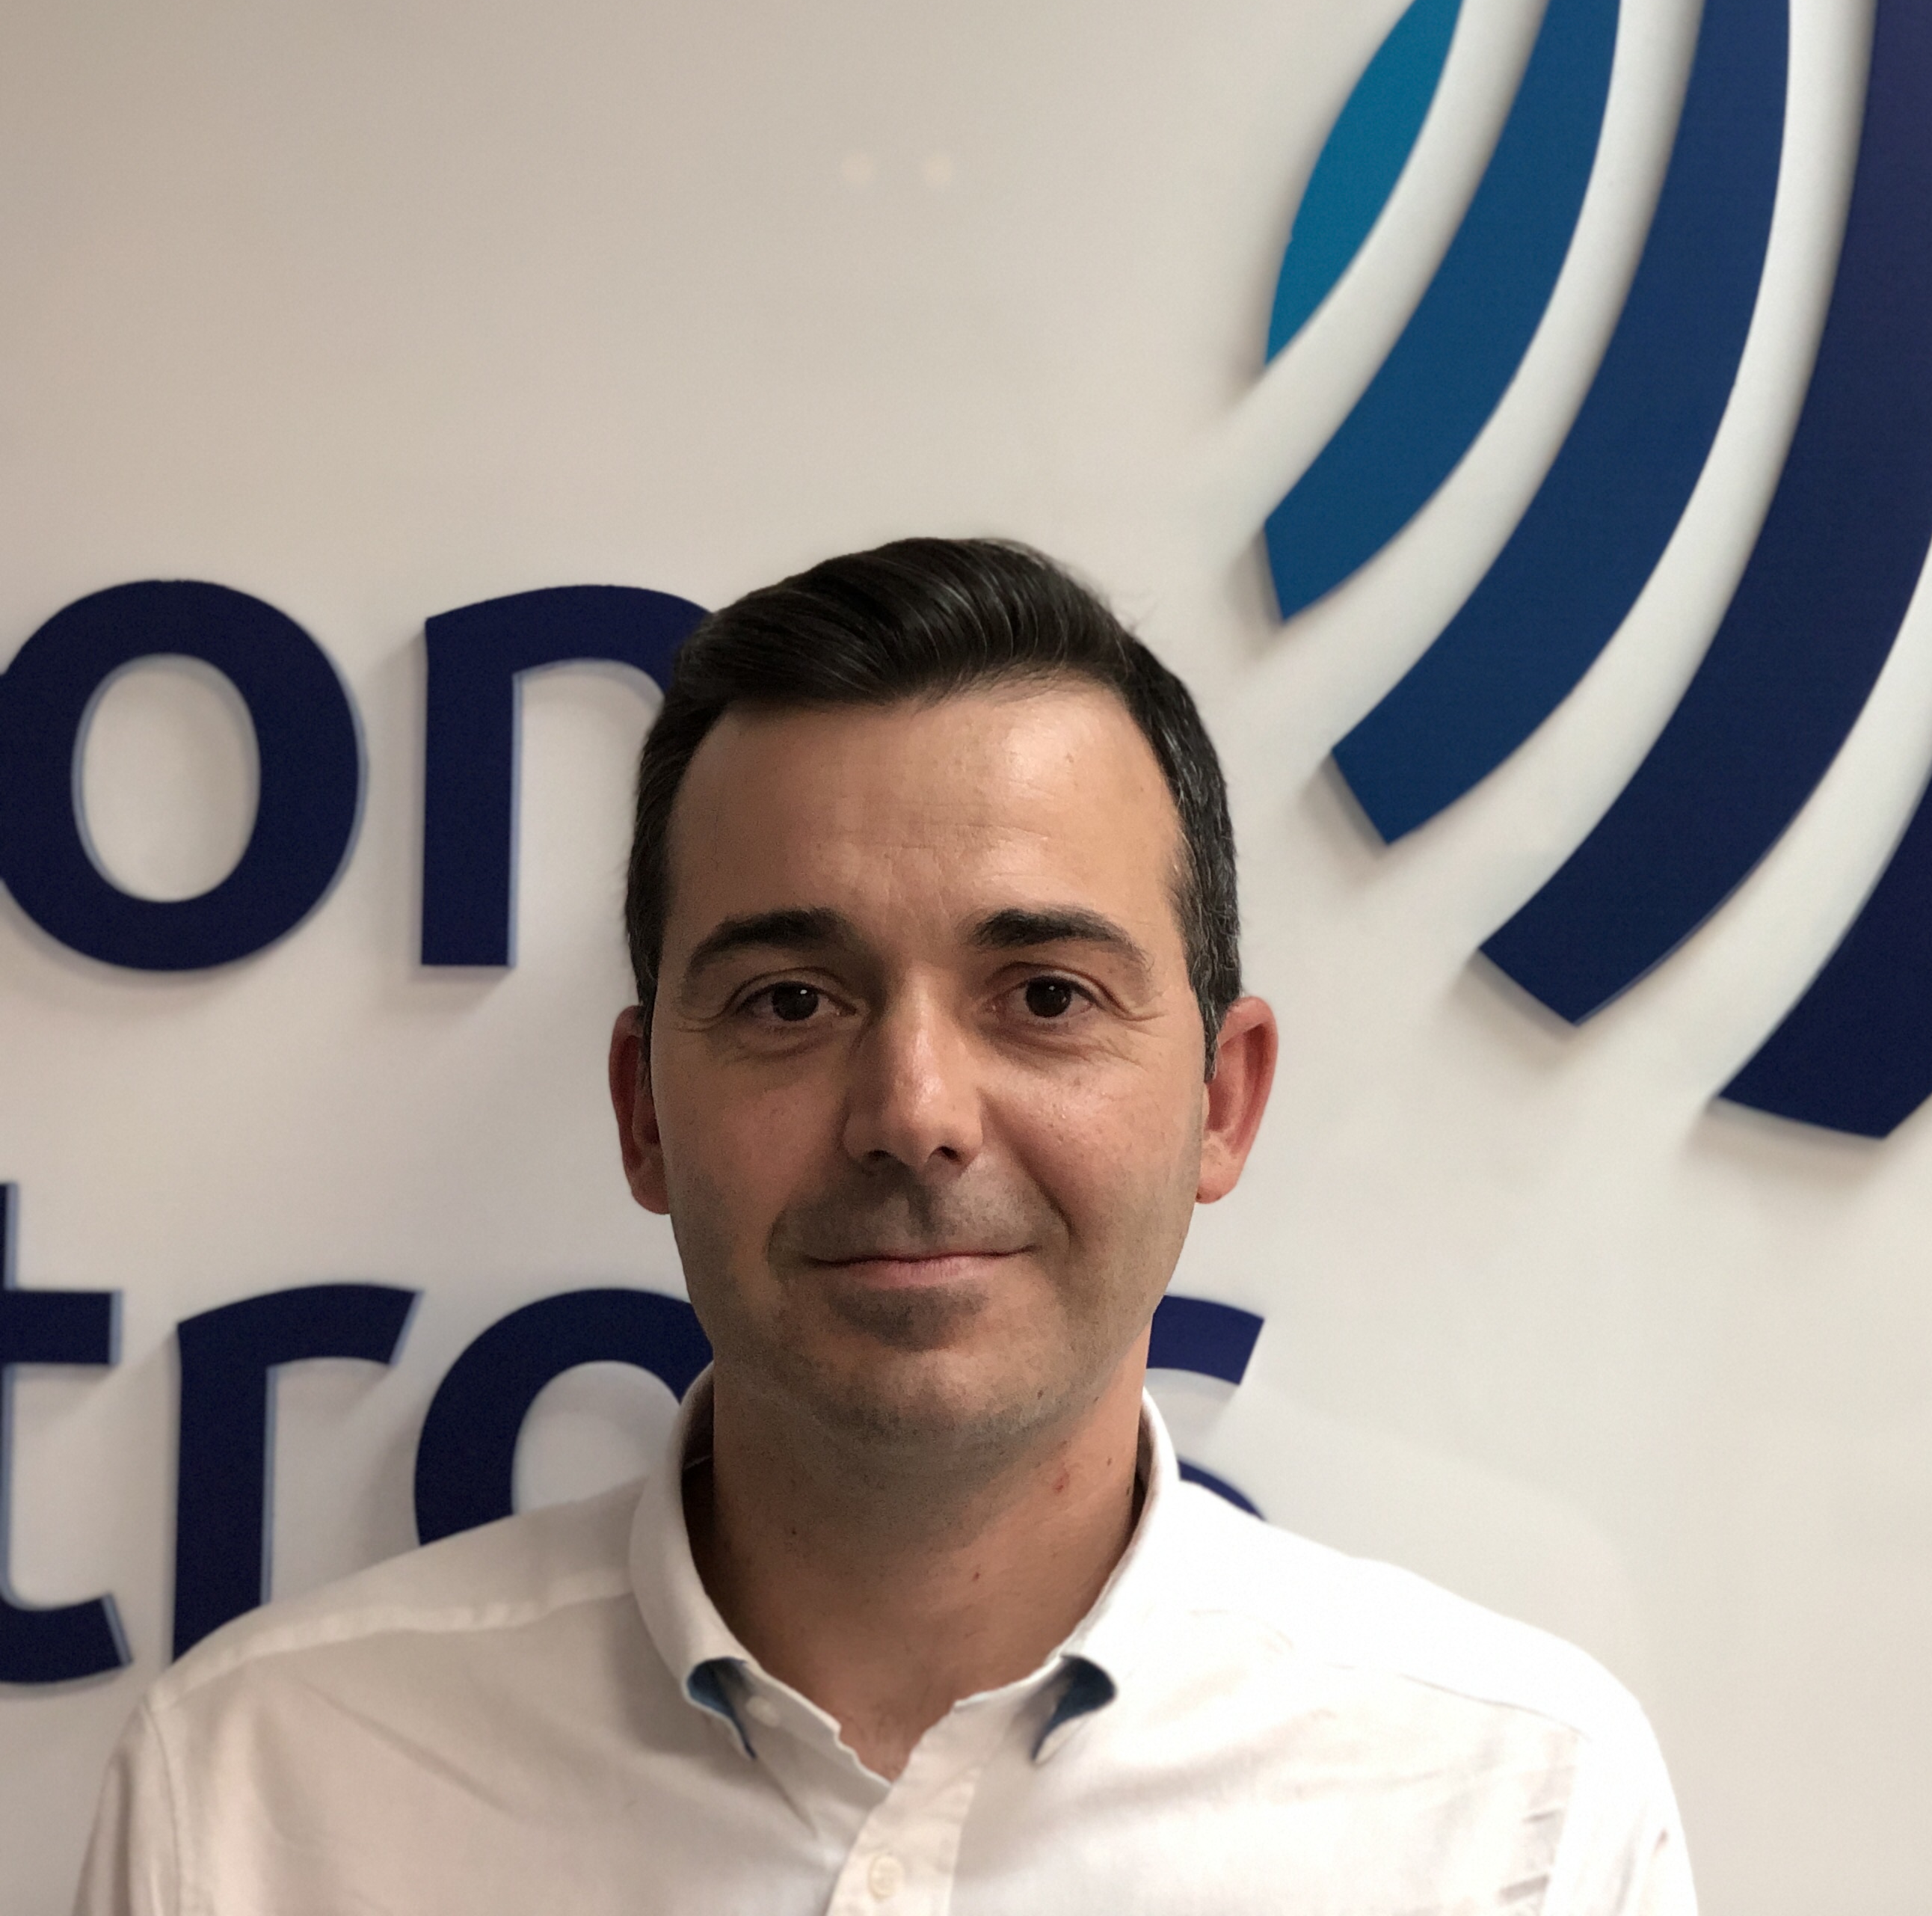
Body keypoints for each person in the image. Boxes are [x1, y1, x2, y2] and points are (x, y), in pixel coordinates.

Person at [75, 536, 1691, 1915]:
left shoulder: (1520, 1814)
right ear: (644, 1115)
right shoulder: (259, 1799)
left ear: (1223, 1100)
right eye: (791, 1000)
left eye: (1044, 996)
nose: (914, 1111)